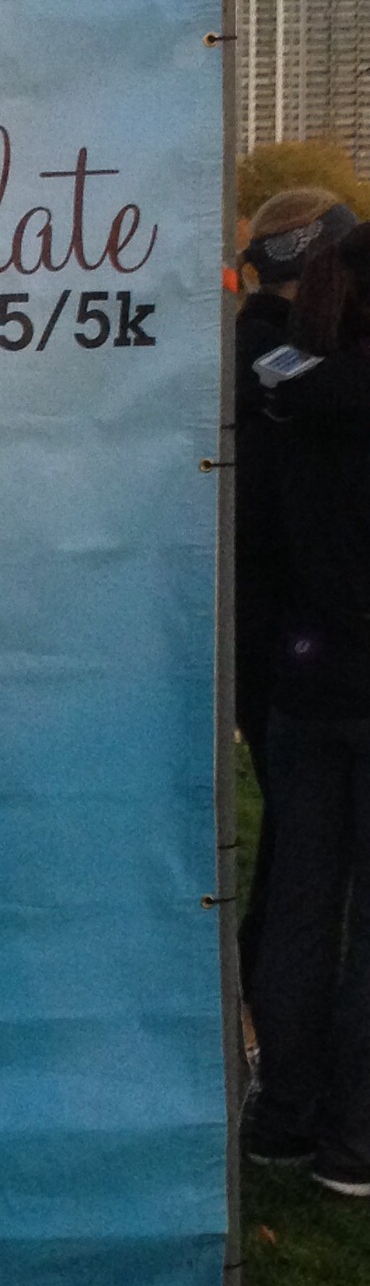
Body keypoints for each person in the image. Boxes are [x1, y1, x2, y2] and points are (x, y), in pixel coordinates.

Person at [242, 221, 370, 1197]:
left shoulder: (282, 383)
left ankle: (286, 1116)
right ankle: (354, 1141)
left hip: (303, 678)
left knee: (297, 901)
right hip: (326, 676)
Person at [234, 191, 359, 1009]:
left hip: (279, 635)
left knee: (296, 853)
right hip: (295, 639)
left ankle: (271, 1013)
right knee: (305, 859)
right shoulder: (277, 358)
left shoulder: (262, 354)